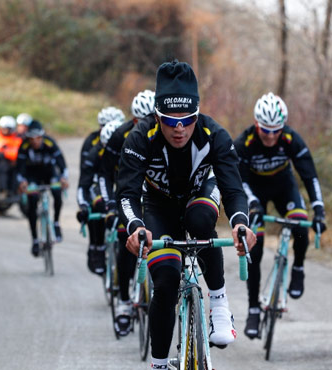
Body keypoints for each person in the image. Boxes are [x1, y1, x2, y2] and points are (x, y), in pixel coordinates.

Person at [116, 60, 256, 369]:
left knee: (200, 218)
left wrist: (241, 224)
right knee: (165, 281)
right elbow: (127, 193)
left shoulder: (214, 134)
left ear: (197, 114)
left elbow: (233, 190)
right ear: (157, 116)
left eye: (187, 119)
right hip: (158, 207)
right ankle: (159, 363)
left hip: (200, 195)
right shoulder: (140, 138)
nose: (179, 129)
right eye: (170, 120)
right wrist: (136, 227)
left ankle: (218, 302)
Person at [234, 92, 327, 339]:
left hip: (284, 186)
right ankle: (254, 308)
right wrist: (252, 204)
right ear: (257, 125)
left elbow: (309, 176)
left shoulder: (291, 139)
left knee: (300, 222)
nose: (272, 135)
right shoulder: (244, 142)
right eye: (266, 129)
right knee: (256, 245)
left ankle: (297, 269)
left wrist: (319, 209)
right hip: (254, 191)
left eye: (277, 129)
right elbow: (237, 180)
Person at [98, 89, 155, 336]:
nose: (145, 126)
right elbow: (103, 174)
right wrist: (111, 205)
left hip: (153, 195)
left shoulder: (163, 134)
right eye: (139, 122)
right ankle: (123, 302)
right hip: (127, 193)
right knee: (125, 243)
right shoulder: (120, 136)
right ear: (132, 121)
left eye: (151, 119)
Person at [76, 119, 124, 274]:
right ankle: (97, 247)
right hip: (98, 185)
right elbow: (83, 185)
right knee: (98, 203)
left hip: (117, 183)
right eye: (106, 148)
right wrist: (83, 206)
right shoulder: (93, 154)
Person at [16, 120, 69, 257]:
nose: (35, 142)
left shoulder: (49, 142)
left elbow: (61, 161)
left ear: (42, 136)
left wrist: (64, 177)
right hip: (32, 176)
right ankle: (34, 239)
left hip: (49, 173)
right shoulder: (24, 146)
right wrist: (22, 182)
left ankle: (56, 223)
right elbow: (19, 168)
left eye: (38, 138)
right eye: (32, 139)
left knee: (57, 193)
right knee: (32, 202)